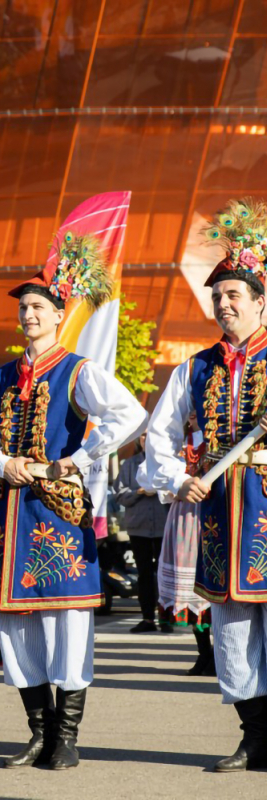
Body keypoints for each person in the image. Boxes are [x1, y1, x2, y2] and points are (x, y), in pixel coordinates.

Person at [0, 233, 147, 770]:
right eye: (23, 308)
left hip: (58, 515)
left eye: (38, 307)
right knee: (17, 626)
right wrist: (2, 464)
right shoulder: (0, 378)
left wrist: (80, 458)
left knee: (66, 620)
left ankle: (65, 736)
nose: (28, 315)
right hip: (12, 516)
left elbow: (128, 415)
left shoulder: (78, 369)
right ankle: (37, 733)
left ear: (58, 314)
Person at [140, 198, 267, 772]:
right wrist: (178, 477)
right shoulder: (194, 368)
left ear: (260, 301)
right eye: (217, 297)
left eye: (233, 295)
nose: (223, 305)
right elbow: (157, 438)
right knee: (232, 630)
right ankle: (255, 735)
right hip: (219, 507)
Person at [145, 413, 214, 675]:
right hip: (185, 516)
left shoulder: (218, 440)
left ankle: (219, 654)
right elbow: (151, 477)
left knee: (214, 585)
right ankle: (204, 653)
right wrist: (174, 484)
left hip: (213, 513)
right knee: (190, 590)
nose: (195, 414)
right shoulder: (174, 445)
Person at [113, 431, 171, 633]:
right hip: (139, 528)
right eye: (143, 436)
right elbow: (119, 494)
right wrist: (140, 492)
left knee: (165, 575)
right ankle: (147, 619)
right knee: (144, 575)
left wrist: (161, 490)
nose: (147, 439)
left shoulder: (167, 463)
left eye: (151, 435)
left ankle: (166, 618)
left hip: (164, 527)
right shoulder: (130, 464)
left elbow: (177, 492)